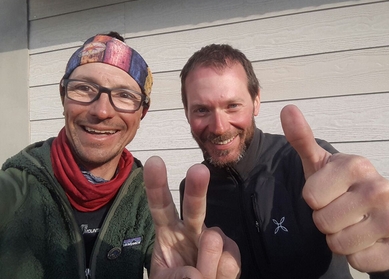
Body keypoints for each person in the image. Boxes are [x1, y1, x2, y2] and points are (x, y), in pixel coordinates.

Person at [0, 33, 240, 279]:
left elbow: (168, 259)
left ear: (142, 113)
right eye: (83, 88)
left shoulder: (145, 194)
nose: (102, 110)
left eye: (125, 95)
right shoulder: (14, 189)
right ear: (63, 96)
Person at [179, 43, 389, 278]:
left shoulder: (308, 162)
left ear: (256, 102)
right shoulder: (193, 190)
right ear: (187, 113)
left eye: (233, 105)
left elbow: (382, 234)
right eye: (202, 110)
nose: (220, 127)